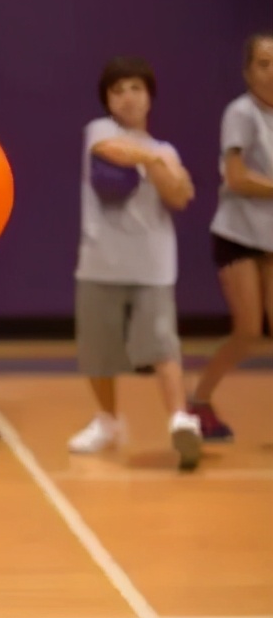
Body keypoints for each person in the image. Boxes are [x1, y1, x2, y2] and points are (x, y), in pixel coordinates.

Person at [68, 56, 203, 470]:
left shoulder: (165, 151)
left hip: (152, 265)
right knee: (98, 351)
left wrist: (162, 164)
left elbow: (180, 196)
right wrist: (156, 161)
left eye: (136, 89)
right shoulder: (101, 131)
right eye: (118, 90)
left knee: (163, 344)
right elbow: (111, 151)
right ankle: (108, 421)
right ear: (107, 99)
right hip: (100, 261)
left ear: (150, 97)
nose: (127, 98)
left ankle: (181, 419)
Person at [188, 31, 273, 441]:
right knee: (249, 331)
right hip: (238, 235)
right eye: (263, 63)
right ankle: (199, 400)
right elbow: (237, 178)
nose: (272, 72)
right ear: (247, 71)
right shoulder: (240, 113)